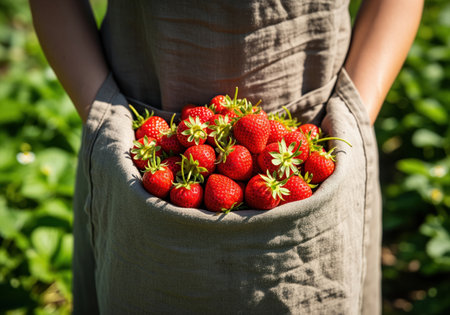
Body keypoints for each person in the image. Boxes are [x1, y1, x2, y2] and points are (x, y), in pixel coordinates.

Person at [29, 0, 424, 314]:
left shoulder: (318, 145)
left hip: (316, 137)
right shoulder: (137, 143)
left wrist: (352, 117)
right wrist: (105, 116)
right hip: (139, 142)